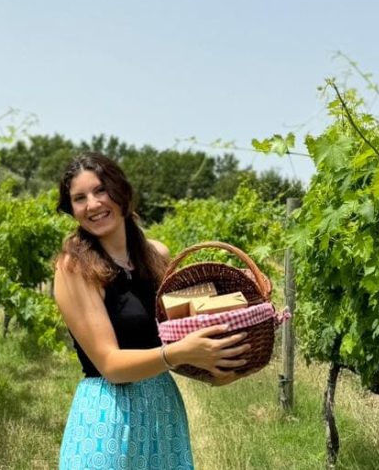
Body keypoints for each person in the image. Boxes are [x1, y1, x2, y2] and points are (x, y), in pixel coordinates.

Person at [53, 152, 251, 470]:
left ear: (122, 192)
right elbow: (111, 365)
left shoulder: (156, 255)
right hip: (108, 414)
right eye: (79, 198)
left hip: (162, 410)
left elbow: (182, 330)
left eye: (100, 190)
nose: (92, 204)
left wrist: (217, 366)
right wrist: (177, 354)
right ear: (72, 209)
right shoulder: (75, 268)